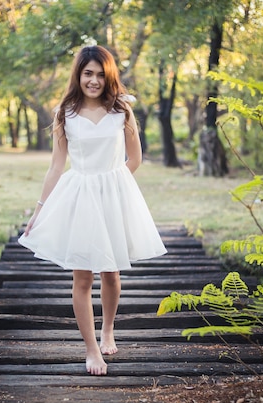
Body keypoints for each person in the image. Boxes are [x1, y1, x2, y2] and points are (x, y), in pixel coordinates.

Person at [18, 45, 167, 376]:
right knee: (82, 275)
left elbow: (135, 159)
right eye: (88, 73)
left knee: (111, 273)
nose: (94, 80)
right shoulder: (65, 113)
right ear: (79, 75)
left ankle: (108, 329)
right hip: (80, 198)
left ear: (109, 75)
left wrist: (114, 187)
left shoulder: (121, 111)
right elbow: (56, 167)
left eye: (101, 74)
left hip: (112, 197)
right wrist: (39, 209)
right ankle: (90, 351)